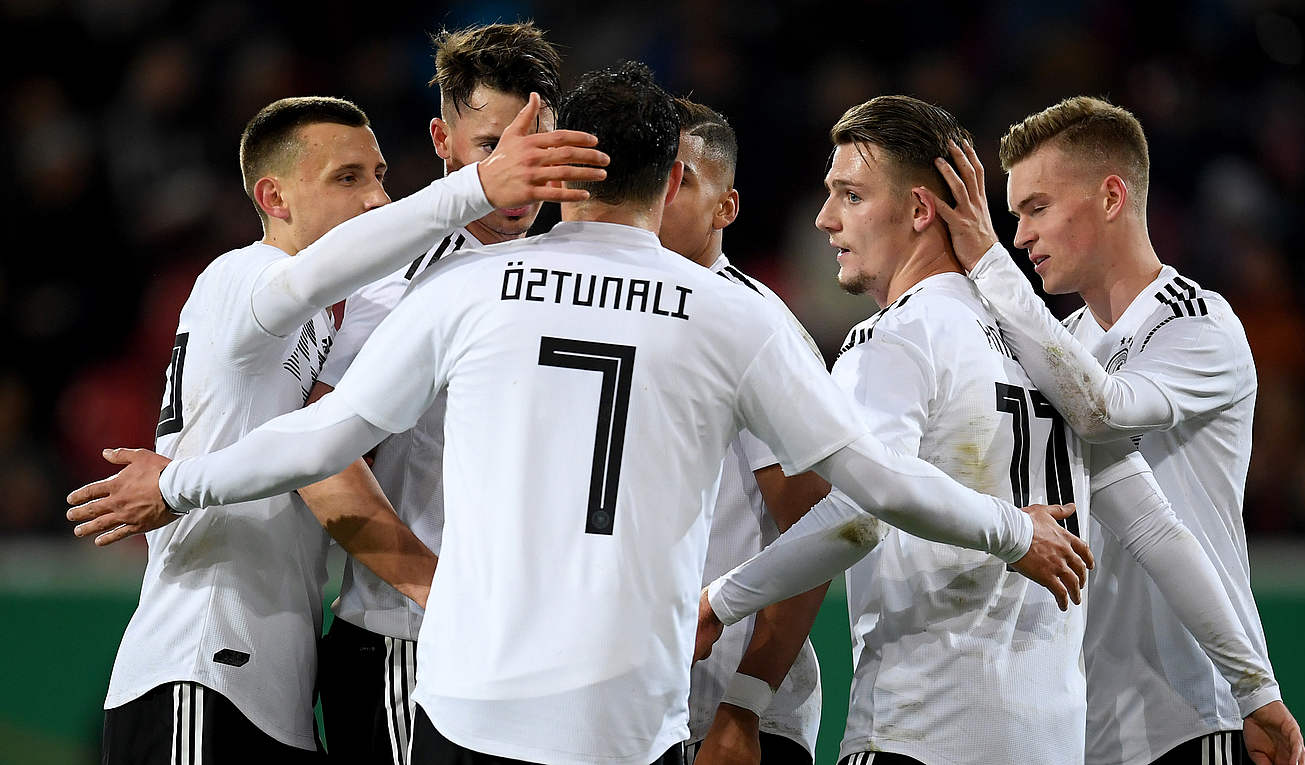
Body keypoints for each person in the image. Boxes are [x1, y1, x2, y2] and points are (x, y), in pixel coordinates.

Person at [67, 63, 1091, 765]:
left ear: (568, 163)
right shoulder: (735, 316)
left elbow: (320, 439)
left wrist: (181, 480)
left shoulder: (471, 289)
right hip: (623, 716)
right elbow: (872, 487)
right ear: (674, 176)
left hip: (469, 702)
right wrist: (1010, 530)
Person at [697, 95, 1290, 765]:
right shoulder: (1052, 360)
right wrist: (1256, 689)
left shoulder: (897, 337)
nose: (825, 218)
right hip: (1050, 742)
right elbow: (1157, 529)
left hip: (919, 732)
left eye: (851, 195)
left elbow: (857, 518)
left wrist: (718, 603)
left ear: (920, 210)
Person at [80, 92, 607, 763]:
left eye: (380, 175)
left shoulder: (325, 322)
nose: (377, 199)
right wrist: (477, 187)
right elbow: (315, 281)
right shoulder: (242, 278)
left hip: (272, 686)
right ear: (274, 197)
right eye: (347, 177)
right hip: (198, 661)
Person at [921, 95, 1305, 765]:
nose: (1019, 236)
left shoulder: (1196, 322)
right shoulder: (1056, 342)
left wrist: (987, 262)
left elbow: (1103, 409)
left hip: (1193, 713)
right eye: (1014, 216)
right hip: (1084, 727)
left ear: (1109, 197)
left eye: (1037, 208)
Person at [292, 23, 566, 765]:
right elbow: (318, 461)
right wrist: (439, 594)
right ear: (443, 140)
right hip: (408, 646)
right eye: (491, 145)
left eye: (535, 141)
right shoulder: (392, 280)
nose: (517, 167)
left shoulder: (576, 277)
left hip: (532, 654)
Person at [658, 97, 830, 765]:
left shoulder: (755, 328)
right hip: (637, 711)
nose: (657, 196)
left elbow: (818, 530)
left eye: (681, 180)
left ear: (725, 208)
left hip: (730, 719)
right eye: (650, 175)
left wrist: (744, 706)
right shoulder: (630, 318)